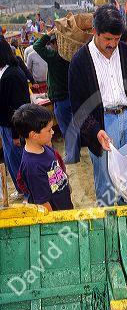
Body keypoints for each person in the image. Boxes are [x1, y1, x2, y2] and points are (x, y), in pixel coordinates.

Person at [68, 4, 127, 206]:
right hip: (103, 124)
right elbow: (79, 108)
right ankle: (108, 230)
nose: (112, 44)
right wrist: (95, 131)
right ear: (95, 32)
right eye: (107, 39)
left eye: (117, 39)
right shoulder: (80, 62)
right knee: (106, 183)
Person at [12, 104, 73, 211]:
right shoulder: (33, 167)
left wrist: (66, 185)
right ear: (34, 135)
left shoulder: (44, 147)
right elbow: (43, 204)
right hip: (57, 216)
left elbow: (57, 168)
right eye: (49, 130)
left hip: (63, 202)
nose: (53, 132)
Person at [33, 31, 81, 164]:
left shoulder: (55, 56)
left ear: (56, 43)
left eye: (52, 43)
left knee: (66, 129)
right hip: (71, 97)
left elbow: (37, 46)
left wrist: (48, 34)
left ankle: (72, 157)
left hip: (61, 99)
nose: (51, 46)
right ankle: (75, 154)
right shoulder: (71, 57)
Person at [0, 36, 30, 198]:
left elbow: (17, 108)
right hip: (5, 125)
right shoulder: (6, 72)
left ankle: (27, 193)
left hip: (13, 127)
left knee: (18, 161)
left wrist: (16, 133)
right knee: (10, 160)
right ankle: (21, 190)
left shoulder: (12, 75)